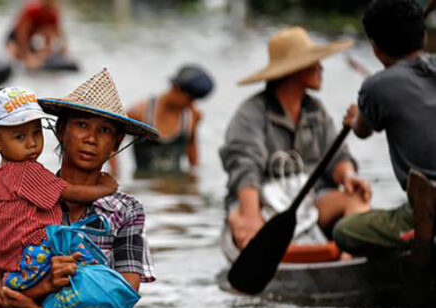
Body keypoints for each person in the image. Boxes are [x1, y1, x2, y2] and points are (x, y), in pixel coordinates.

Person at [0, 69, 174, 308]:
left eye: (105, 131)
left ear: (116, 144)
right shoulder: (19, 196)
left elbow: (123, 293)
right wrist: (46, 286)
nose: (90, 139)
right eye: (81, 125)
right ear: (61, 130)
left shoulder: (125, 209)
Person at [219, 27, 372, 250]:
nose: (322, 68)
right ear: (295, 71)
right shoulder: (251, 113)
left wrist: (348, 176)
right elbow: (245, 169)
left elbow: (337, 156)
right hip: (262, 200)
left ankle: (346, 256)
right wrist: (251, 219)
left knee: (356, 201)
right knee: (249, 232)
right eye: (314, 63)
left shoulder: (315, 111)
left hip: (312, 199)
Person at [334, 0, 436, 255]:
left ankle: (416, 241)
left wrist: (356, 116)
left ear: (375, 48)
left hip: (426, 211)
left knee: (343, 231)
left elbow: (362, 130)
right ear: (424, 37)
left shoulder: (376, 86)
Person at [109, 65, 214, 178]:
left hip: (176, 187)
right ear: (175, 88)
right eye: (189, 99)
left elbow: (191, 145)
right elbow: (111, 142)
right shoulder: (139, 113)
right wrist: (115, 173)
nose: (191, 104)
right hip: (145, 187)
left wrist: (194, 178)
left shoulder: (192, 116)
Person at [6, 0, 66, 69]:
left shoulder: (53, 15)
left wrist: (62, 52)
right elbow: (21, 36)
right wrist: (27, 56)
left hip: (29, 40)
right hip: (14, 39)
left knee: (42, 55)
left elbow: (56, 34)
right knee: (14, 57)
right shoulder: (32, 11)